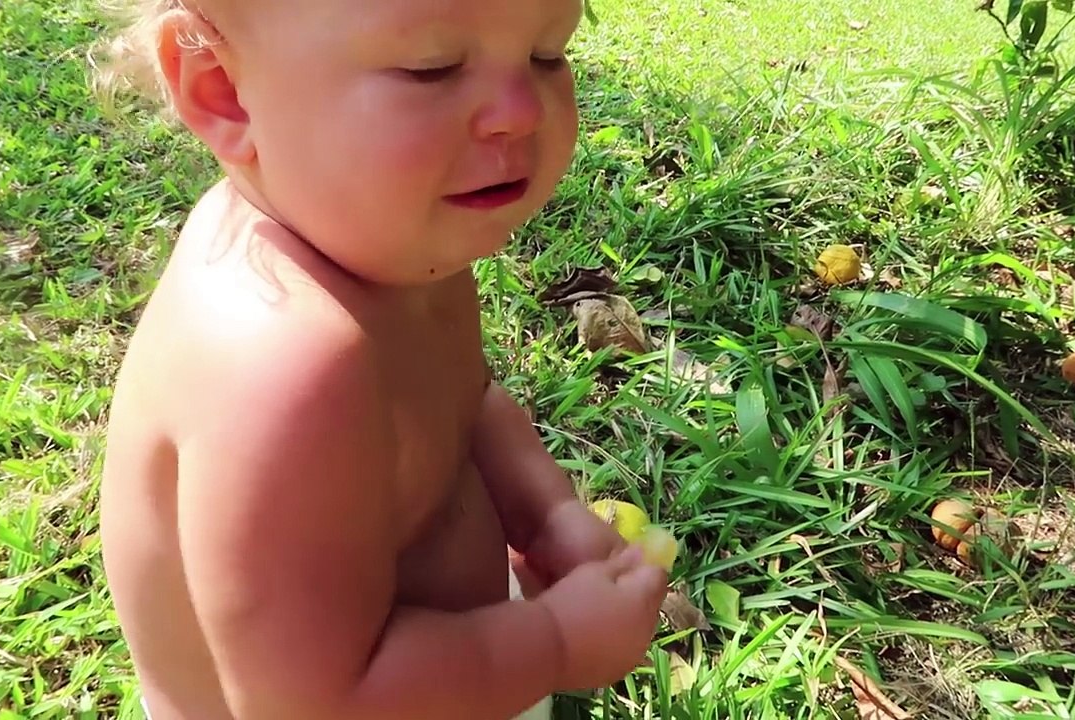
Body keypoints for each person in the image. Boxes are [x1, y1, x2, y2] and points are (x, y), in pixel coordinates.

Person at [90, 0, 671, 718]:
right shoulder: (282, 369)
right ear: (223, 91)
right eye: (432, 68)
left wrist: (548, 515)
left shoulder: (393, 245)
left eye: (547, 54)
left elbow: (467, 400)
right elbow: (314, 705)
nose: (522, 110)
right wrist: (555, 641)